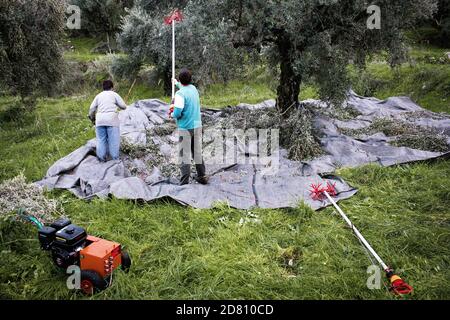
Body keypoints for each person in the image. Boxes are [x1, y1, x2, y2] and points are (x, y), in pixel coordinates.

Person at [170, 68, 208, 185]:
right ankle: (202, 176)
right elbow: (184, 88)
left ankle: (184, 182)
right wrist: (176, 83)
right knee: (197, 152)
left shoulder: (180, 94)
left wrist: (172, 114)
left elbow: (177, 113)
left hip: (185, 127)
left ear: (181, 80)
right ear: (190, 80)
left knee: (184, 155)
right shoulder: (193, 89)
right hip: (197, 126)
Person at [88, 80, 127, 162]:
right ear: (112, 87)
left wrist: (92, 118)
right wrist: (118, 104)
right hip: (112, 120)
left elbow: (91, 108)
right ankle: (115, 161)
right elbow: (123, 106)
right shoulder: (114, 94)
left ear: (103, 87)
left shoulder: (98, 96)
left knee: (101, 140)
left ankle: (101, 160)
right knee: (113, 141)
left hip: (100, 121)